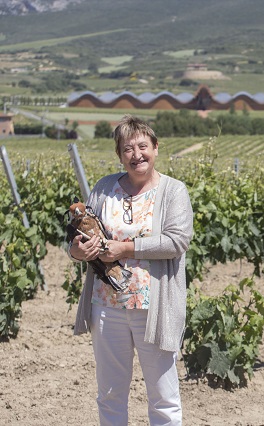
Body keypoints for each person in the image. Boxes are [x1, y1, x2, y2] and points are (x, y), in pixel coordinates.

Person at [68, 114, 193, 425]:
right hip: (106, 306)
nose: (136, 155)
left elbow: (177, 241)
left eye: (142, 146)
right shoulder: (104, 187)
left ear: (155, 148)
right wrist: (77, 250)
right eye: (128, 149)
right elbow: (79, 233)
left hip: (154, 308)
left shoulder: (173, 191)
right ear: (119, 155)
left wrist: (124, 248)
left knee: (163, 398)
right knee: (110, 394)